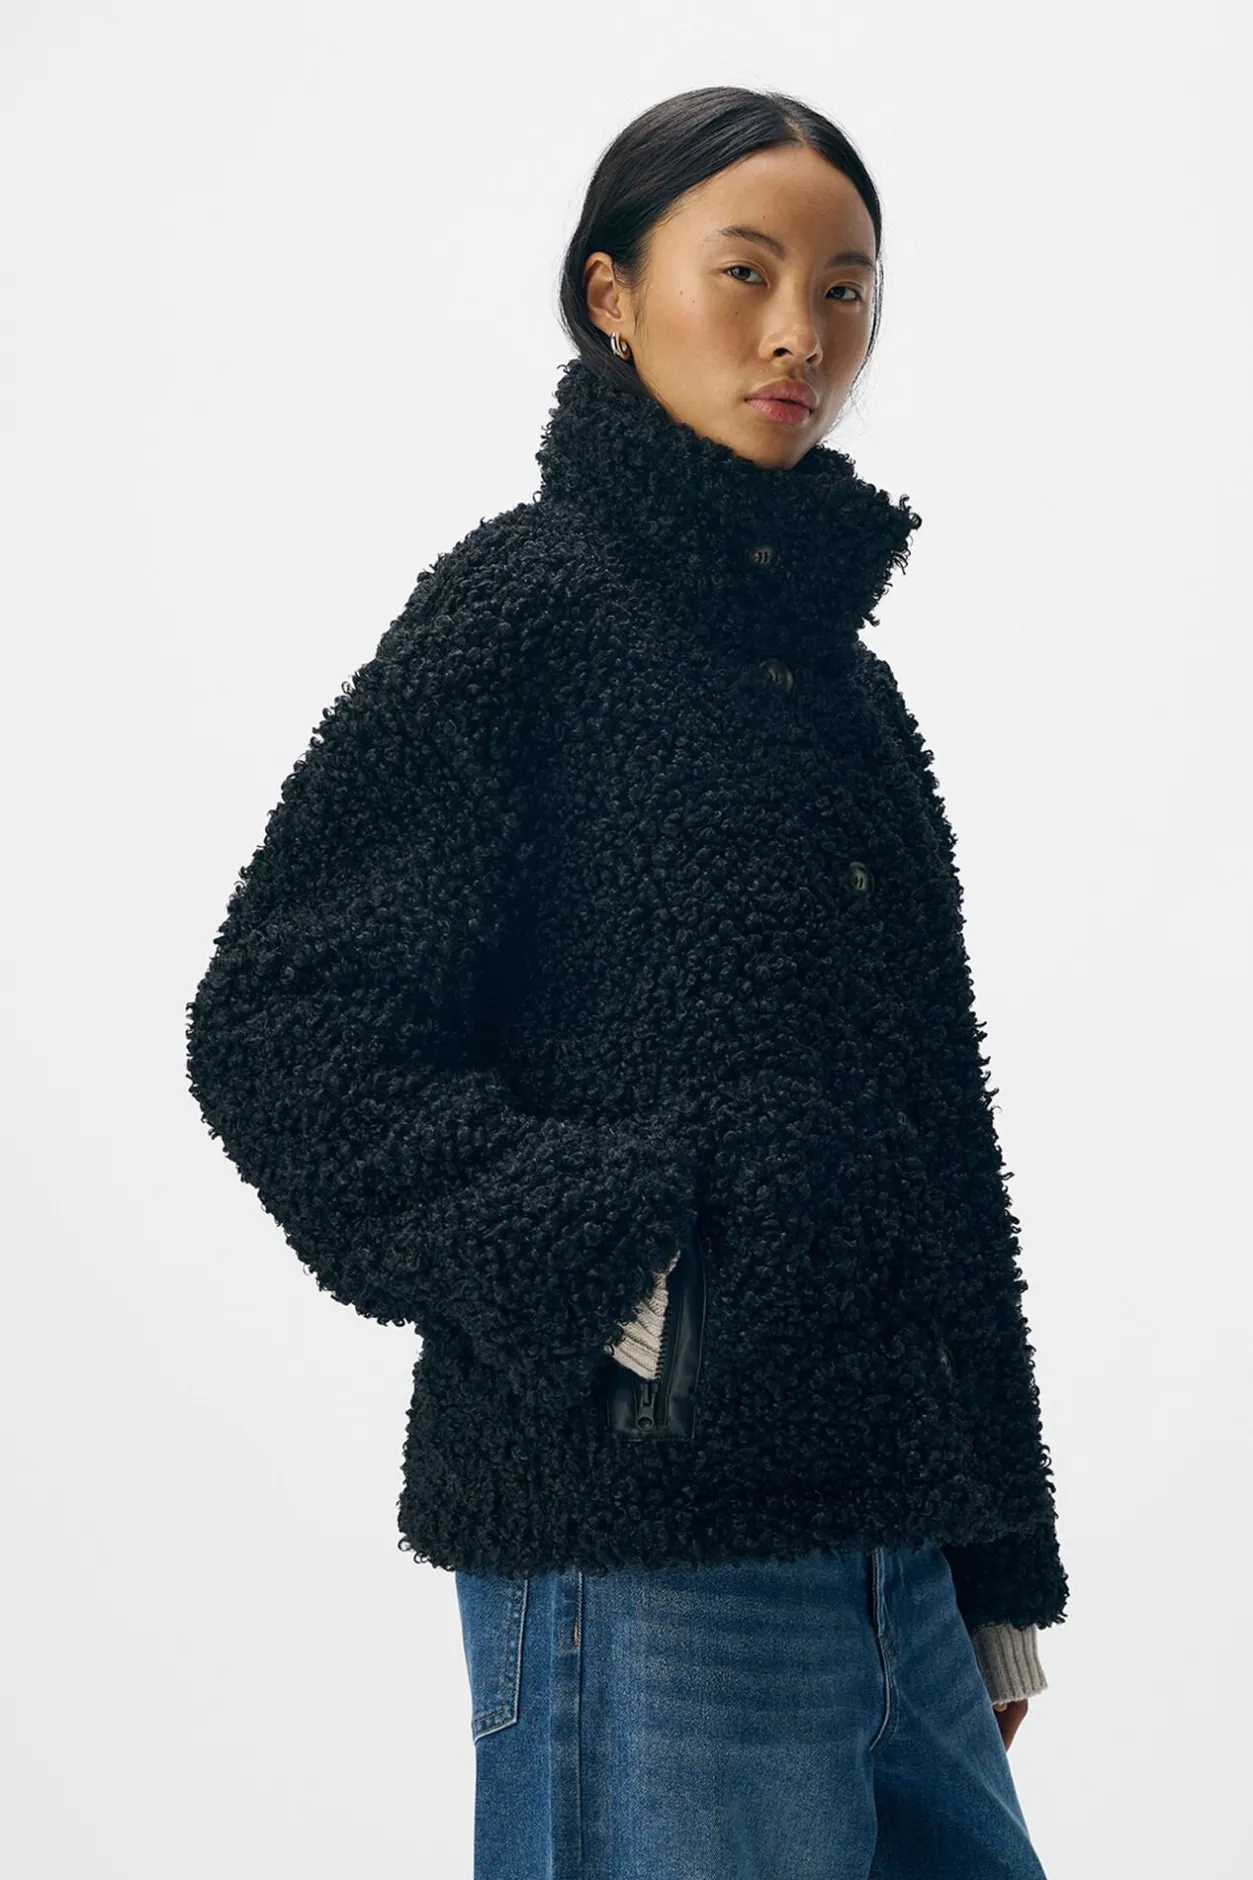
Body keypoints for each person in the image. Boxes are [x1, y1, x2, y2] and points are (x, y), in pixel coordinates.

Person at [185, 84, 1068, 1879]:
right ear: (611, 293)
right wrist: (628, 1271)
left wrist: (993, 1564)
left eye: (845, 289)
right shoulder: (528, 612)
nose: (800, 332)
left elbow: (938, 1133)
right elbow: (282, 1024)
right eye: (745, 272)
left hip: (896, 1556)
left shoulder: (850, 697)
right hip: (644, 1552)